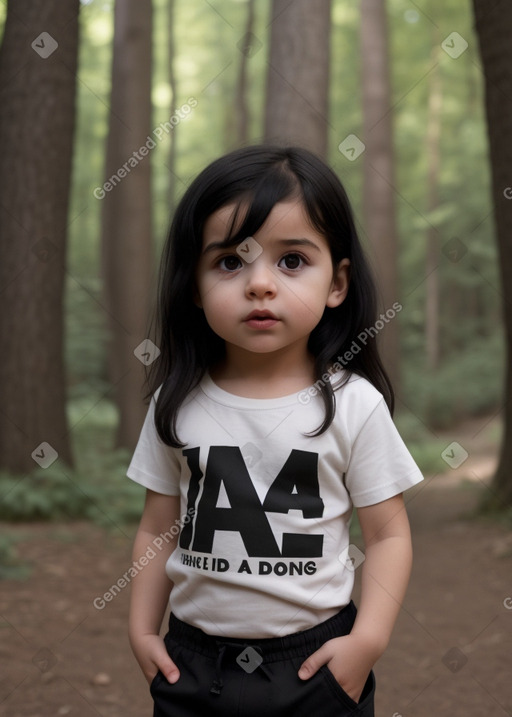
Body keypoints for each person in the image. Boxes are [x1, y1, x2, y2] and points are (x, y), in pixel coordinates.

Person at [127, 145, 423, 717]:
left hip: (313, 664)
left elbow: (389, 537)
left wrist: (368, 642)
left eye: (291, 261)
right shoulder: (176, 403)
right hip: (192, 659)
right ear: (194, 284)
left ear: (336, 283)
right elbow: (157, 528)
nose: (260, 284)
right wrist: (142, 629)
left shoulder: (353, 405)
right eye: (230, 262)